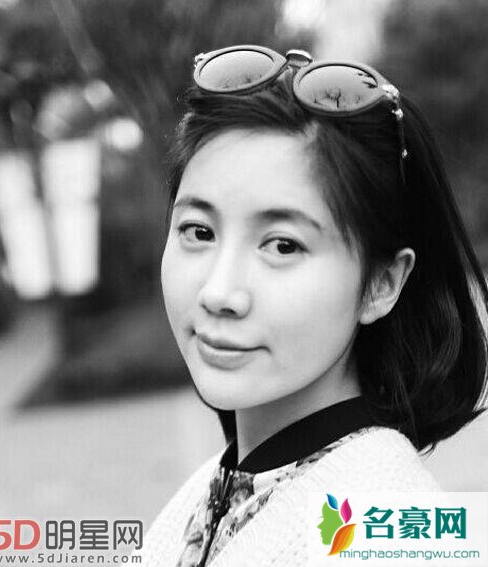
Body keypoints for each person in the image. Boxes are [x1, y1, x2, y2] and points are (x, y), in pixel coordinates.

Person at [139, 45, 488, 566]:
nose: (219, 292)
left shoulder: (392, 534)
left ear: (382, 283)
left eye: (283, 245)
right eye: (199, 231)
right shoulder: (209, 490)